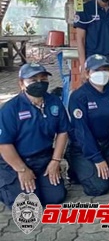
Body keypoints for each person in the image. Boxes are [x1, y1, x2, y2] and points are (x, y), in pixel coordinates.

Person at [0, 63, 69, 208]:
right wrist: (22, 169)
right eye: (33, 79)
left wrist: (55, 160)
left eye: (43, 78)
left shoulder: (54, 102)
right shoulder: (10, 109)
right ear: (21, 83)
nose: (39, 83)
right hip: (16, 161)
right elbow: (4, 144)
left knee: (56, 197)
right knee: (29, 204)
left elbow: (63, 131)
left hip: (43, 159)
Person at [66, 54, 109, 196]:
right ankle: (76, 169)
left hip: (106, 144)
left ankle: (94, 169)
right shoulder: (78, 97)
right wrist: (97, 159)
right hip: (84, 148)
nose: (102, 73)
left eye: (105, 69)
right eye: (97, 70)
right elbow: (82, 131)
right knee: (99, 187)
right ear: (87, 73)